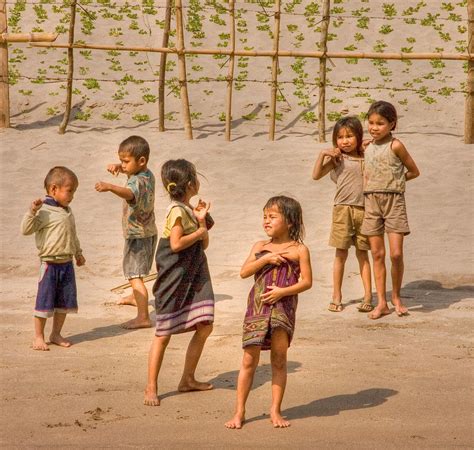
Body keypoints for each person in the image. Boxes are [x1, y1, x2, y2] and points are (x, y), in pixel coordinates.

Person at [225, 196, 312, 429]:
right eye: (264, 216)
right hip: (257, 307)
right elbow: (244, 272)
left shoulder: (299, 249)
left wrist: (283, 292)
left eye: (272, 217)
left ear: (290, 221)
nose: (266, 221)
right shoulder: (259, 246)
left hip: (283, 309)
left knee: (279, 360)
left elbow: (307, 282)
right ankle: (239, 412)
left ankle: (275, 411)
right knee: (248, 359)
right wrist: (265, 259)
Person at [144, 159, 215, 406]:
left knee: (205, 326)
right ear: (190, 184)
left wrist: (201, 220)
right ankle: (151, 386)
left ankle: (187, 379)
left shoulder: (189, 209)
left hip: (194, 274)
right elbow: (175, 244)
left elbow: (203, 243)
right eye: (195, 177)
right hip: (175, 278)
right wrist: (198, 231)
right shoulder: (176, 211)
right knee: (163, 333)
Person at [361, 101, 420, 319]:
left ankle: (396, 296)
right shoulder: (366, 147)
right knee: (377, 254)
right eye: (371, 123)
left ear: (392, 124)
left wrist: (397, 182)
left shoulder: (396, 146)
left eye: (380, 123)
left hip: (394, 202)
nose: (374, 127)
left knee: (395, 254)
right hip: (371, 202)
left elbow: (414, 171)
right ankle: (382, 302)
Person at [95, 135, 157, 329]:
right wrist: (118, 166)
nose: (123, 164)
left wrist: (110, 187)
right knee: (138, 271)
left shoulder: (134, 183)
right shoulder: (148, 174)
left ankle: (143, 317)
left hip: (137, 235)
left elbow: (130, 193)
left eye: (125, 161)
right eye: (121, 160)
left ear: (141, 161)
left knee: (133, 274)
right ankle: (134, 297)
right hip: (149, 231)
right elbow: (132, 173)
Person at [21, 166, 86, 351]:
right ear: (53, 189)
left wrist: (78, 253)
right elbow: (25, 229)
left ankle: (56, 333)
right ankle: (38, 337)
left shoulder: (67, 211)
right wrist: (32, 211)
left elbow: (72, 234)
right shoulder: (44, 211)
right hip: (49, 264)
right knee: (44, 301)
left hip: (67, 263)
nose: (72, 195)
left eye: (74, 191)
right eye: (69, 190)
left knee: (64, 303)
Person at [312, 116, 373, 313]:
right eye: (340, 137)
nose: (345, 141)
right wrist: (323, 154)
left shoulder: (367, 156)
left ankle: (368, 296)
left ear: (358, 137)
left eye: (349, 136)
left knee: (363, 254)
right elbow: (316, 175)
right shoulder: (337, 159)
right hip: (342, 210)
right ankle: (336, 295)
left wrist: (367, 145)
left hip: (365, 210)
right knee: (341, 254)